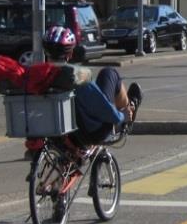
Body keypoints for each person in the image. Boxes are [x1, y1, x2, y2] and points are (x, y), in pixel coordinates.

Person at [34, 26, 142, 159]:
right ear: (70, 53)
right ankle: (128, 113)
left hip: (53, 134)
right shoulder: (77, 76)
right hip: (88, 133)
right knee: (109, 73)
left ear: (46, 51)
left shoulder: (36, 76)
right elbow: (102, 107)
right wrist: (121, 116)